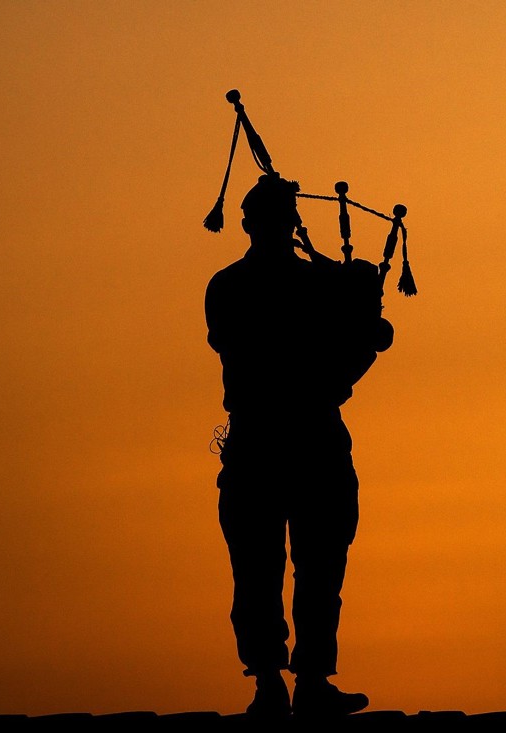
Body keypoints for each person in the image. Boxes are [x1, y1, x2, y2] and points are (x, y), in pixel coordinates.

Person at [205, 172, 391, 717]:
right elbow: (334, 369)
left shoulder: (233, 285)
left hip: (272, 444)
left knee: (295, 565)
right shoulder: (292, 288)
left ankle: (289, 685)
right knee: (290, 567)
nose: (284, 228)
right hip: (298, 440)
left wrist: (356, 319)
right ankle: (287, 684)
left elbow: (338, 364)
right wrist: (360, 320)